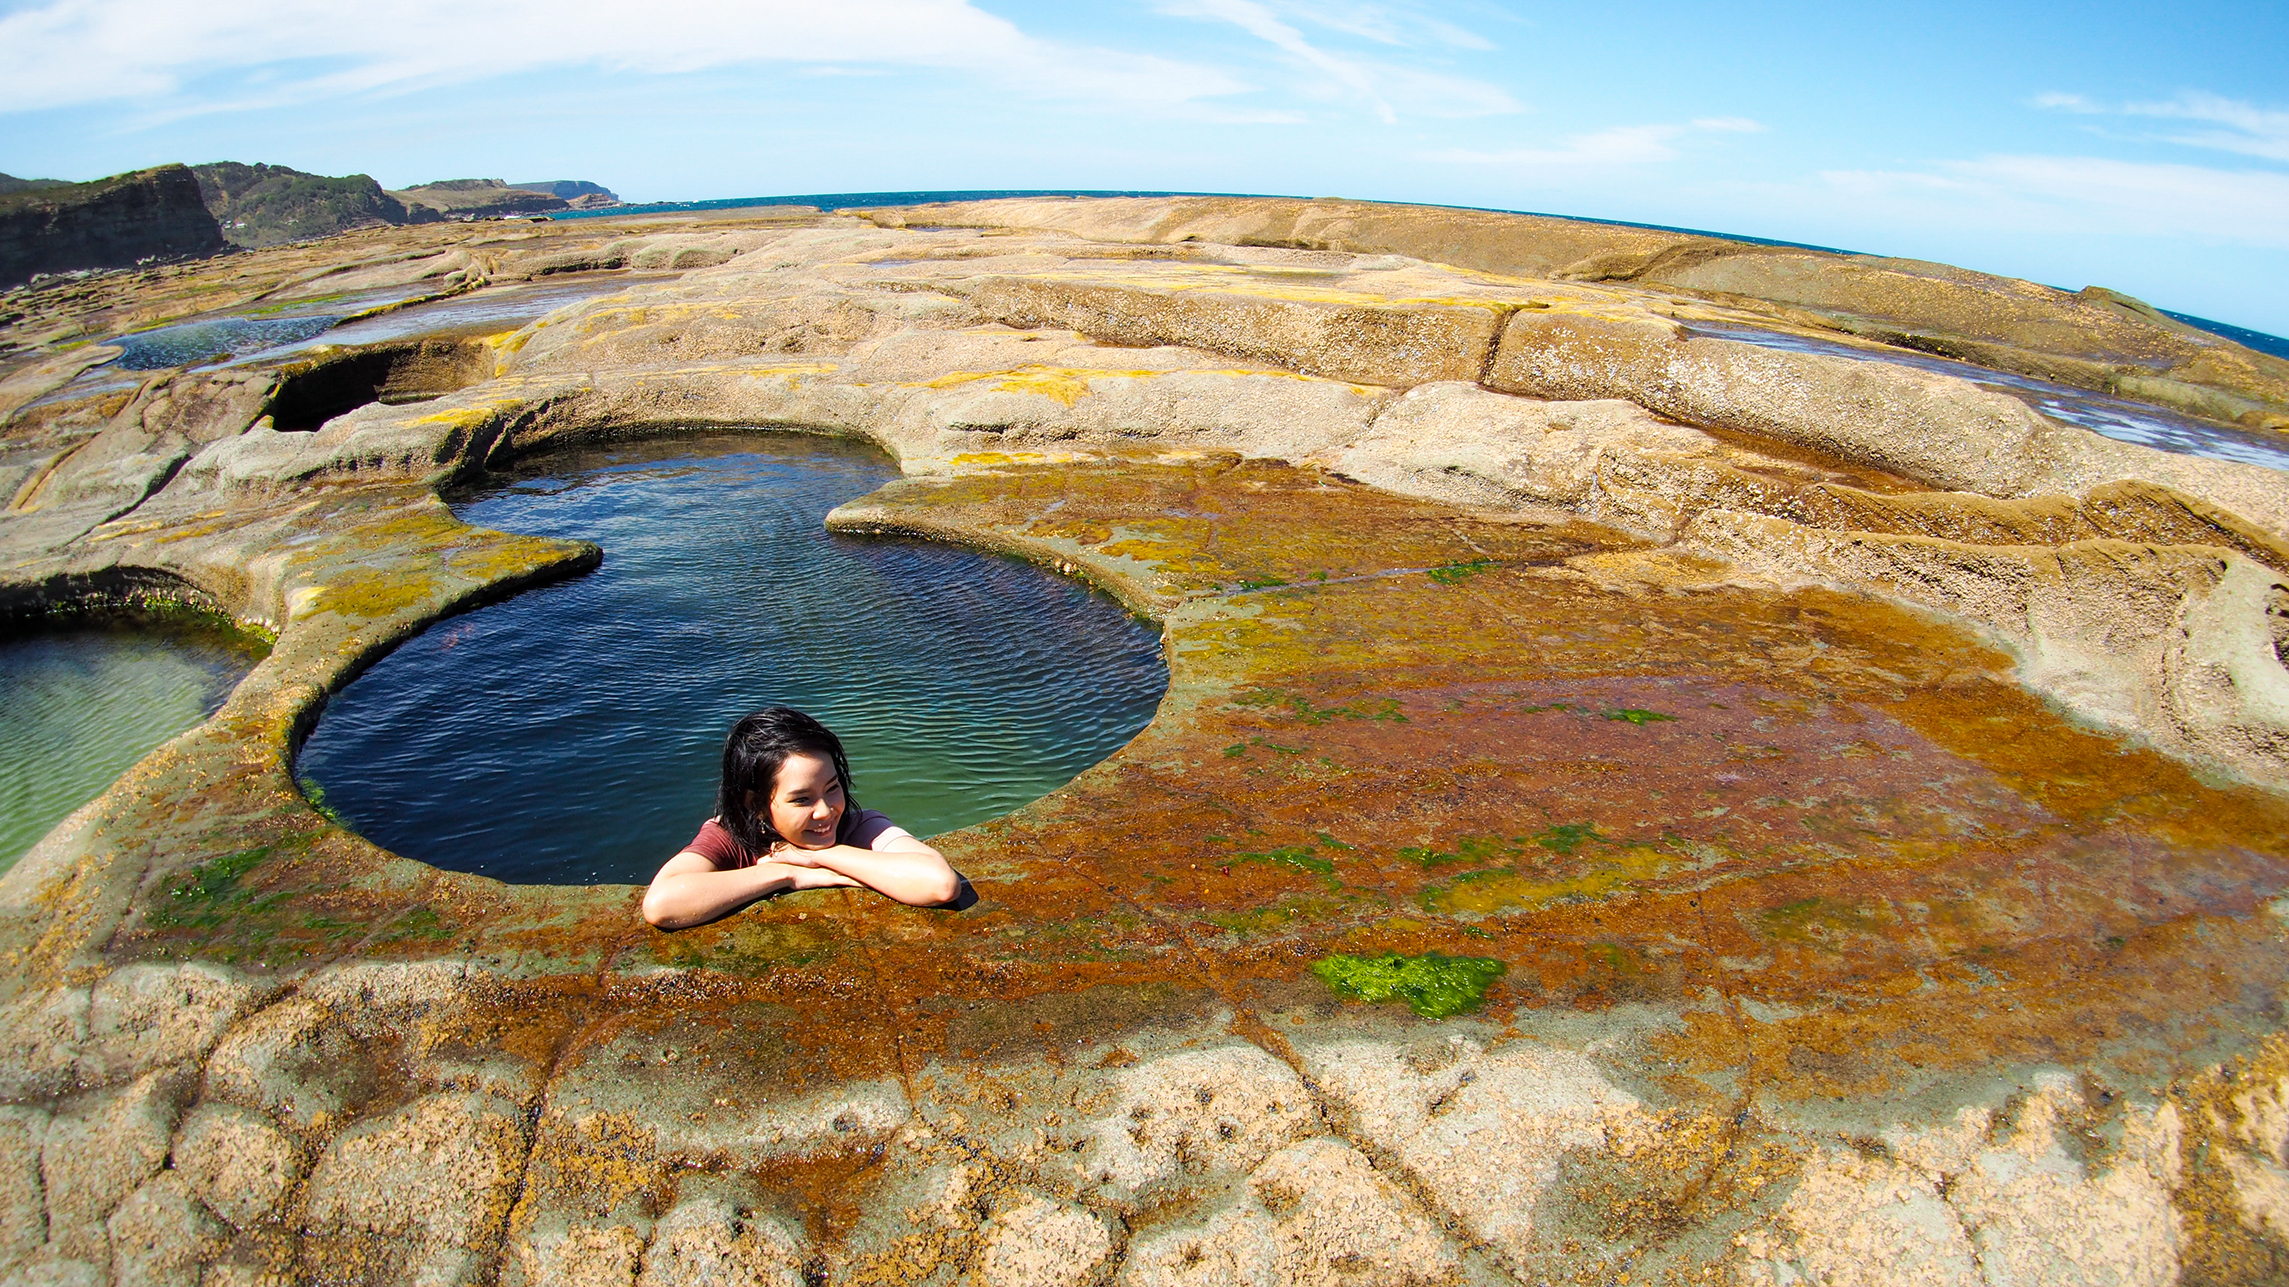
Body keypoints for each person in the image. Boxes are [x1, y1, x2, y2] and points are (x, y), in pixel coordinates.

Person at [641, 707, 963, 929]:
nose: (825, 811)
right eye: (801, 799)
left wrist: (816, 855)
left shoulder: (859, 825)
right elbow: (662, 904)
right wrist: (787, 875)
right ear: (755, 803)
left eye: (833, 788)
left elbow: (940, 884)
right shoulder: (728, 835)